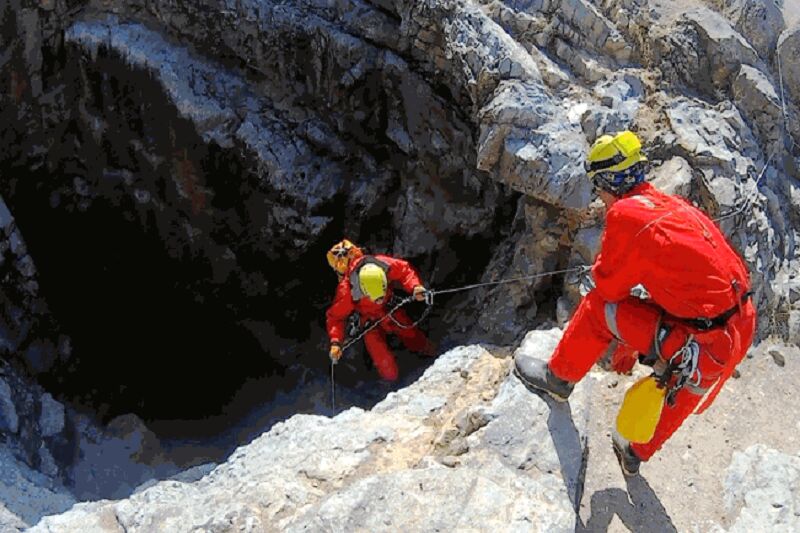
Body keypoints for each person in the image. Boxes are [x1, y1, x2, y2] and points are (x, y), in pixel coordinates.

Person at [514, 131, 756, 476]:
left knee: (599, 309)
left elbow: (610, 289)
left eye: (598, 187)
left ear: (607, 183)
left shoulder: (625, 215)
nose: (599, 196)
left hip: (699, 337)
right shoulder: (671, 204)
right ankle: (634, 455)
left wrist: (602, 273)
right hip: (735, 328)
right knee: (683, 390)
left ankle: (559, 378)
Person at [325, 239, 435, 381]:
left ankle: (430, 353)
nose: (378, 299)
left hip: (389, 309)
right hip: (369, 322)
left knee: (411, 334)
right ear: (362, 290)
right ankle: (393, 385)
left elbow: (404, 271)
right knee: (383, 359)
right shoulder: (347, 290)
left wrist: (415, 287)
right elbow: (335, 317)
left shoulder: (382, 264)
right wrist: (335, 342)